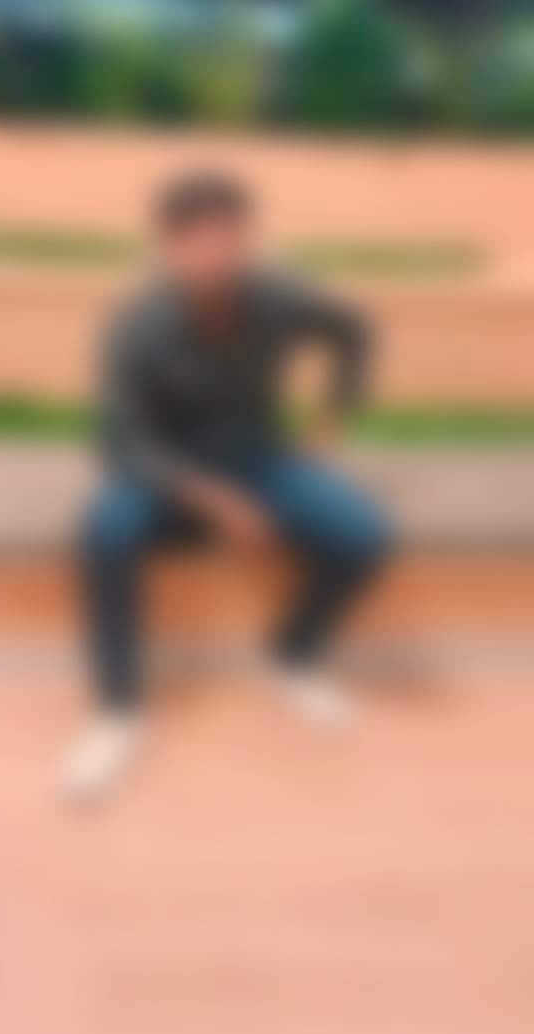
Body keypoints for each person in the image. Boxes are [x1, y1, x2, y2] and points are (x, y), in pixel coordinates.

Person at [58, 172, 394, 800]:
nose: (216, 255)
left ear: (247, 240)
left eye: (230, 239)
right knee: (104, 533)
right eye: (199, 241)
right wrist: (215, 499)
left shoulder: (279, 295)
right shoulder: (137, 324)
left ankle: (295, 654)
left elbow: (353, 330)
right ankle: (117, 710)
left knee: (363, 535)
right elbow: (121, 441)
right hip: (166, 470)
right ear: (169, 246)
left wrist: (332, 413)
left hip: (259, 458)